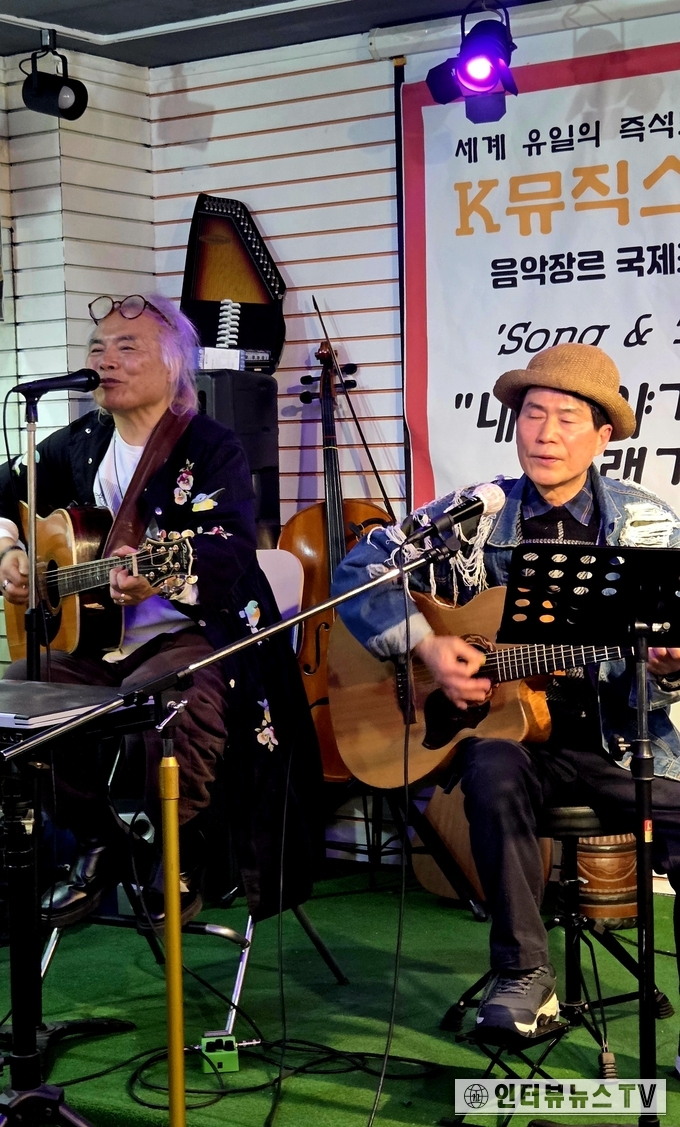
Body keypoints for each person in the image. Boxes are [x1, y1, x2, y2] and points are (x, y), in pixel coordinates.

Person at [333, 343, 680, 1041]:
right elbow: (359, 569)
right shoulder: (477, 515)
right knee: (491, 765)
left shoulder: (645, 525)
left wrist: (667, 667)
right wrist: (427, 645)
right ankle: (524, 974)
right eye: (532, 414)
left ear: (602, 437)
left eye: (566, 419)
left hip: (616, 743)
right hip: (510, 741)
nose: (545, 434)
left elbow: (656, 682)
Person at [0, 293, 322, 929]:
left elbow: (230, 544)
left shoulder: (211, 445)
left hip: (194, 633)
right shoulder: (78, 443)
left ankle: (176, 847)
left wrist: (161, 577)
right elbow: (3, 495)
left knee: (170, 704)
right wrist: (11, 552)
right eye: (98, 348)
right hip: (99, 646)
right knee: (17, 702)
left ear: (175, 366)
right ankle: (101, 841)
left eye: (127, 348)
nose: (105, 360)